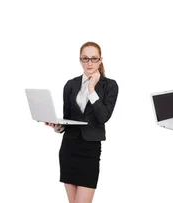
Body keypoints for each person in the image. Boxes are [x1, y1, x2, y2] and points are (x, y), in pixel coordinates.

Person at [45, 41, 119, 203]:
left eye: (94, 59)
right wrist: (58, 127)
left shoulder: (110, 86)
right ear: (80, 60)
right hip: (68, 148)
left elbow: (103, 116)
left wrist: (91, 89)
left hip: (90, 150)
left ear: (100, 60)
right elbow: (67, 118)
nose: (89, 63)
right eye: (85, 59)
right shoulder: (70, 85)